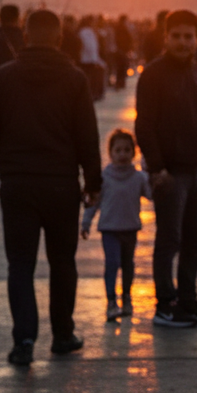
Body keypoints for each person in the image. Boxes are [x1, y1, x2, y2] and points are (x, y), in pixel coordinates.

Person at [0, 8, 102, 365]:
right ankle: (62, 334)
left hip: (17, 184)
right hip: (61, 184)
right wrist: (93, 182)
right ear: (60, 38)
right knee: (62, 262)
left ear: (26, 36)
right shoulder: (75, 79)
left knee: (20, 264)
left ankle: (25, 339)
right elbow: (87, 137)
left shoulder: (4, 77)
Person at [135, 9, 197, 328]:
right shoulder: (153, 74)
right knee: (168, 241)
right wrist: (157, 168)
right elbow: (144, 125)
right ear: (166, 37)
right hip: (170, 173)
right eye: (177, 36)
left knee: (194, 239)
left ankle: (188, 299)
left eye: (189, 37)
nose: (183, 43)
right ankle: (165, 304)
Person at [81, 128, 151, 320]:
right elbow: (94, 203)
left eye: (127, 150)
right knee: (112, 263)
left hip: (130, 229)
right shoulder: (104, 178)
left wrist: (152, 175)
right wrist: (85, 223)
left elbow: (151, 194)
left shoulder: (139, 177)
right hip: (109, 229)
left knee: (128, 264)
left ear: (133, 152)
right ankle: (111, 301)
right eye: (118, 150)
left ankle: (127, 296)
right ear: (110, 153)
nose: (122, 155)